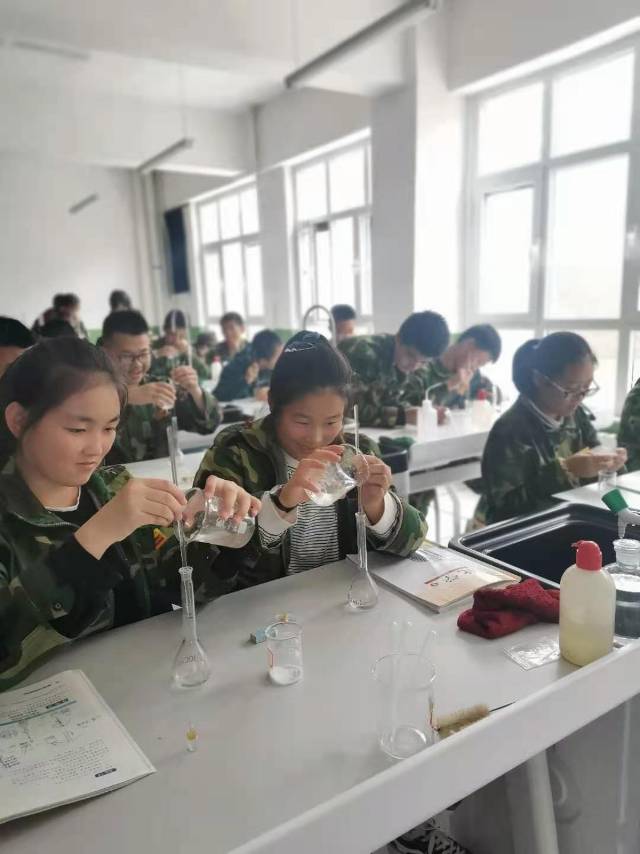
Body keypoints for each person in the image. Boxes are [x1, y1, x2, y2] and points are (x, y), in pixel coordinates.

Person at [0, 337, 259, 689]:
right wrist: (96, 536)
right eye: (77, 429)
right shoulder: (12, 519)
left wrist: (212, 527)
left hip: (140, 691)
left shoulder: (114, 488)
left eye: (109, 428)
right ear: (19, 420)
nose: (97, 448)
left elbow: (183, 587)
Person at [193, 331, 426, 588]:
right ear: (273, 403)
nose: (316, 439)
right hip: (266, 607)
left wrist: (378, 507)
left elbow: (413, 541)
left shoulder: (356, 454)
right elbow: (202, 567)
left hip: (341, 598)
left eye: (331, 422)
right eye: (302, 422)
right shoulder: (237, 451)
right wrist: (280, 505)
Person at [476, 332, 627, 526]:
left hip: (570, 520)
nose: (580, 397)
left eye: (587, 387)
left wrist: (610, 464)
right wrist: (566, 470)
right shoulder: (510, 430)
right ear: (540, 379)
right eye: (572, 388)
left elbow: (594, 460)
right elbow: (504, 508)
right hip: (524, 532)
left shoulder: (576, 415)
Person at [100, 310, 220, 464]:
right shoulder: (91, 392)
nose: (137, 364)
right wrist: (127, 396)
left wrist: (194, 390)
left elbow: (208, 425)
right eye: (127, 356)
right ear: (106, 353)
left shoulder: (160, 387)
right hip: (114, 478)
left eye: (144, 354)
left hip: (162, 475)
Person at [338, 311, 450, 427]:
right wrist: (403, 416)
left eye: (423, 362)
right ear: (398, 338)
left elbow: (403, 400)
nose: (413, 366)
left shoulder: (411, 365)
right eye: (410, 355)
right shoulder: (362, 353)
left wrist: (428, 412)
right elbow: (348, 410)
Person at [416, 324, 502, 410]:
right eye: (478, 362)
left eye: (480, 365)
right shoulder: (422, 366)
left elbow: (493, 395)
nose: (475, 368)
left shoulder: (472, 375)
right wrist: (451, 384)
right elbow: (417, 409)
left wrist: (486, 398)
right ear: (468, 345)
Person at [214, 330, 283, 402]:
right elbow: (218, 397)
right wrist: (245, 381)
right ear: (263, 361)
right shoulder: (236, 366)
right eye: (278, 356)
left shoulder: (276, 368)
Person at [152, 309, 208, 382]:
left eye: (181, 336)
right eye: (172, 334)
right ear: (165, 331)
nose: (177, 340)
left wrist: (190, 355)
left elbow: (205, 374)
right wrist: (156, 355)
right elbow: (149, 376)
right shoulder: (156, 348)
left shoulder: (186, 347)